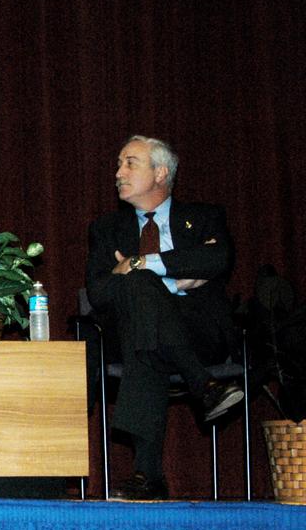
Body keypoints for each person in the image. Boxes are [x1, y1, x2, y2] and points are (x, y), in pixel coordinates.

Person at [86, 135, 243, 500]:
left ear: (160, 173)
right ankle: (203, 386)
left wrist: (141, 263)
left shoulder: (205, 217)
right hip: (136, 332)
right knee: (146, 328)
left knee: (143, 309)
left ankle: (149, 476)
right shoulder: (106, 229)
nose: (118, 172)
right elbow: (98, 292)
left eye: (130, 163)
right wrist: (177, 274)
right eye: (119, 163)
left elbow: (217, 261)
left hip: (199, 330)